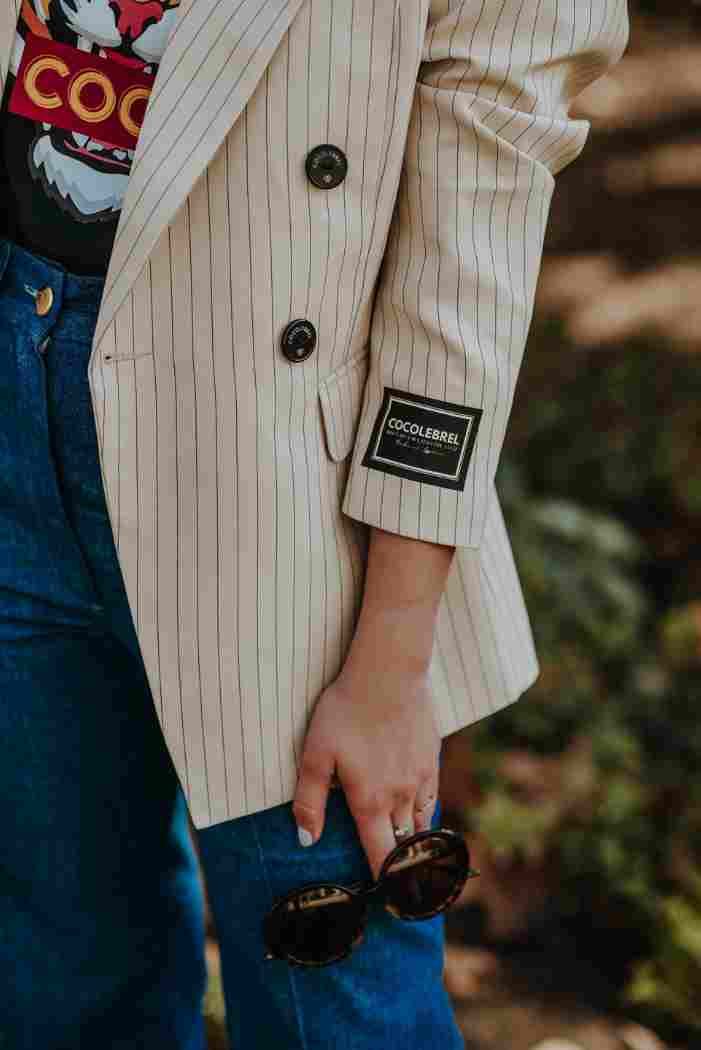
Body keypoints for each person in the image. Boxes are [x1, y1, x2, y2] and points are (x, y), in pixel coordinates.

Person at [0, 0, 629, 1046]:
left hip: (282, 482)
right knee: (59, 987)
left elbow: (471, 242)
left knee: (332, 1009)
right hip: (15, 386)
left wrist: (390, 657)